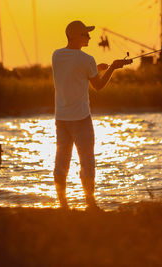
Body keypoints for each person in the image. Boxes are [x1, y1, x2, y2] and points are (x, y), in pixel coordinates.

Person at [52, 20, 131, 210]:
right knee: (87, 161)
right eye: (85, 34)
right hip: (80, 119)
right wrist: (112, 67)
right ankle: (90, 203)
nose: (89, 37)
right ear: (76, 36)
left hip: (61, 118)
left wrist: (96, 69)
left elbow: (74, 72)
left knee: (61, 161)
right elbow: (98, 86)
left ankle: (63, 204)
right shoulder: (87, 59)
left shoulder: (56, 55)